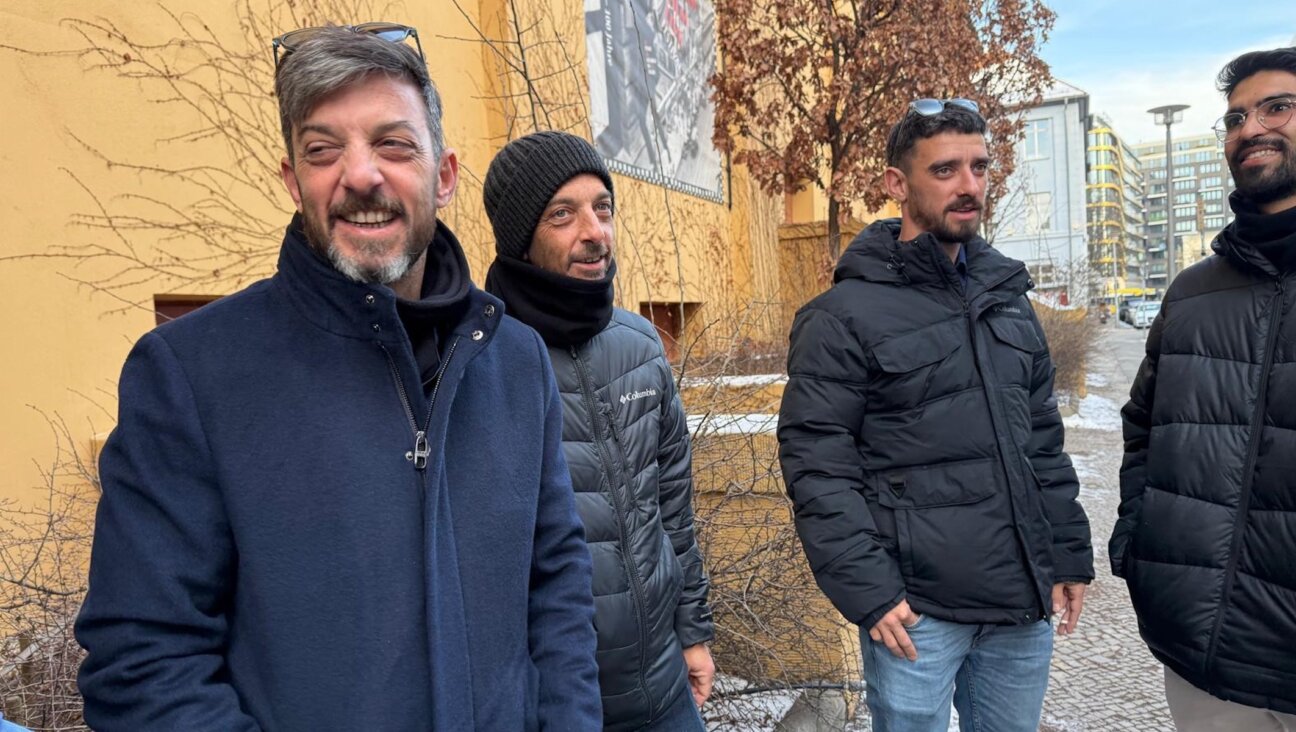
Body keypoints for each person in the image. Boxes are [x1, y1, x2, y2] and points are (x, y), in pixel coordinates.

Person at [74, 24, 601, 731]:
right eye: (323, 151)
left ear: (443, 177)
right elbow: (143, 665)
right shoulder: (191, 374)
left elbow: (556, 585)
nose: (360, 175)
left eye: (392, 144)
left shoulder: (516, 360)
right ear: (294, 182)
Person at [777, 99, 1093, 732]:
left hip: (1018, 606)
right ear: (898, 184)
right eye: (946, 170)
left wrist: (1067, 552)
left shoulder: (1009, 301)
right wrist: (869, 590)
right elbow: (817, 464)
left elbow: (1042, 445)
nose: (969, 185)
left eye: (979, 167)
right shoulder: (841, 316)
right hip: (917, 615)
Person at [482, 130, 715, 731]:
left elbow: (674, 513)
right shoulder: (483, 360)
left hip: (665, 687)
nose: (595, 232)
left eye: (602, 208)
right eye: (563, 214)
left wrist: (692, 634)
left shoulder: (641, 345)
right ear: (519, 238)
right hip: (561, 706)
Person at [1110, 47, 1296, 731]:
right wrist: (1139, 546)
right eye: (1236, 117)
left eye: (1277, 107)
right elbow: (1142, 428)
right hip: (1210, 668)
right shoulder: (1191, 294)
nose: (1251, 128)